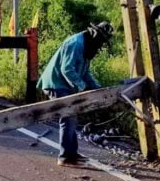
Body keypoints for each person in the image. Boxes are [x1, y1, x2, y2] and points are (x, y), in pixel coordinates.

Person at [37, 21, 114, 167]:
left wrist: (97, 88)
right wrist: (82, 87)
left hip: (65, 85)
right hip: (56, 84)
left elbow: (85, 73)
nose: (101, 45)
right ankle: (65, 157)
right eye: (101, 41)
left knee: (72, 117)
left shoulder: (87, 47)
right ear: (95, 35)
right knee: (68, 117)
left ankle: (72, 153)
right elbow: (67, 69)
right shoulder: (76, 44)